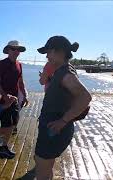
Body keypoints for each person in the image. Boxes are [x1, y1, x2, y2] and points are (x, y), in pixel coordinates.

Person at [35, 36, 92, 180]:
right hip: (53, 128)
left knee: (42, 170)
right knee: (45, 166)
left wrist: (63, 121)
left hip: (54, 129)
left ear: (58, 51)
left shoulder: (65, 73)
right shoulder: (62, 69)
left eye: (48, 52)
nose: (46, 56)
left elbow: (85, 97)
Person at [0, 40, 29, 159]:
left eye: (18, 49)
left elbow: (20, 82)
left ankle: (4, 147)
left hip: (15, 100)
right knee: (6, 125)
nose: (16, 51)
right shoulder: (0, 64)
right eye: (13, 49)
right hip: (3, 100)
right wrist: (4, 95)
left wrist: (25, 95)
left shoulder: (19, 65)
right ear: (8, 50)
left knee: (14, 124)